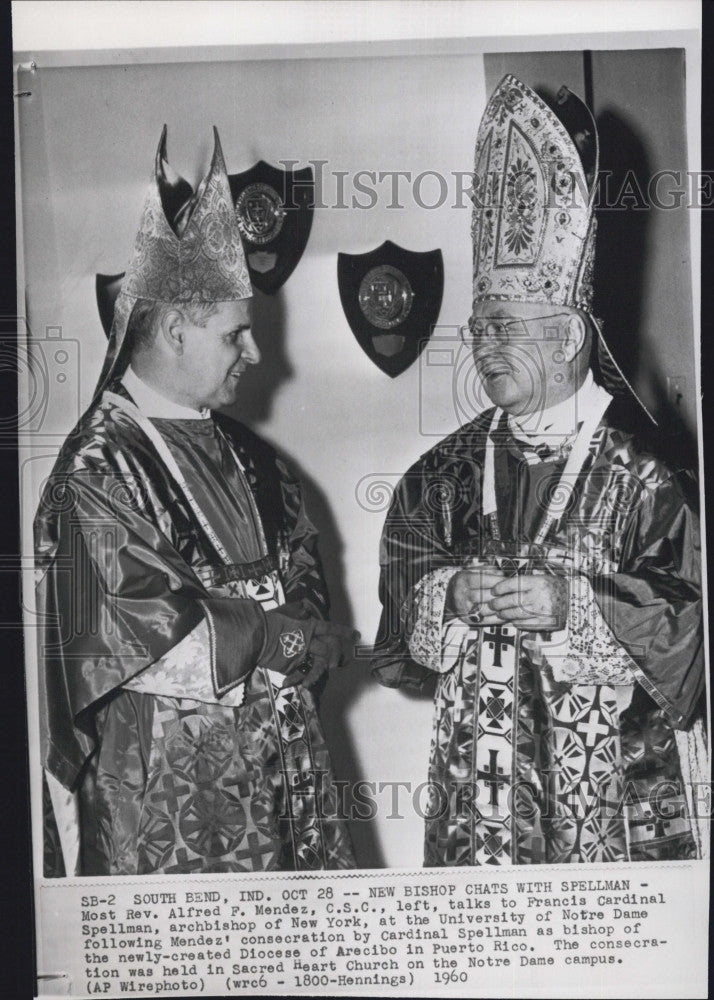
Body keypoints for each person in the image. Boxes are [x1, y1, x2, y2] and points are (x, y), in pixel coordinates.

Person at [372, 75, 706, 866]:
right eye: (479, 326)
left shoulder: (649, 476)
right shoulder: (442, 475)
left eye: (507, 326)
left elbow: (693, 628)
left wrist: (576, 605)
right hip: (478, 808)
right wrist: (445, 595)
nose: (484, 346)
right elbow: (395, 645)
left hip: (614, 805)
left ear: (569, 338)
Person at [36, 126, 356, 876]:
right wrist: (280, 639)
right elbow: (136, 630)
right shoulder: (98, 464)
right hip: (170, 788)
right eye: (236, 335)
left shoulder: (255, 458)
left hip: (287, 774)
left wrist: (302, 631)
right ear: (176, 330)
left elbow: (305, 576)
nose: (255, 354)